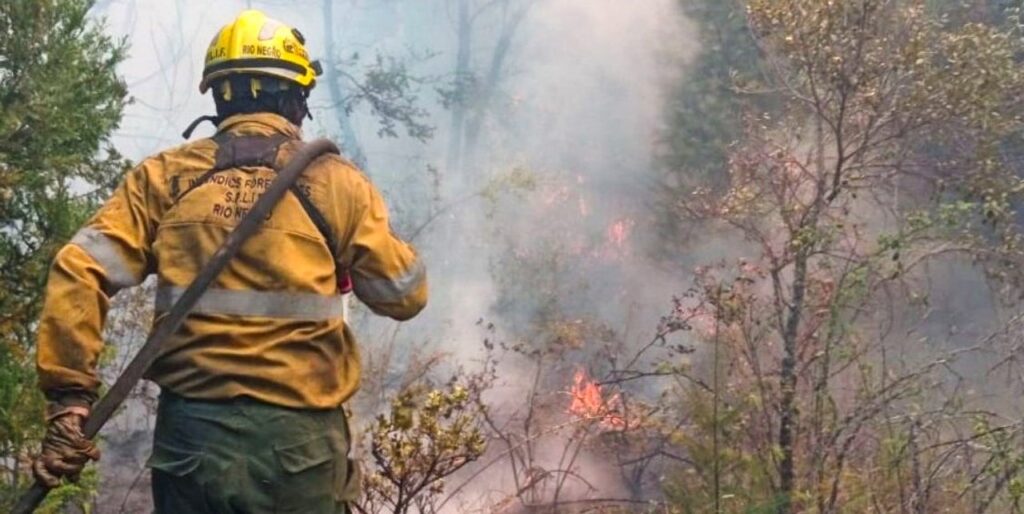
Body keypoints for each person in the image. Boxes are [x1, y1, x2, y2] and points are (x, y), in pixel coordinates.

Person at [30, 9, 427, 513]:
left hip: (191, 444)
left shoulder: (163, 178)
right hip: (299, 446)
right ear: (295, 97)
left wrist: (70, 401)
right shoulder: (337, 183)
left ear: (219, 95)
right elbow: (404, 296)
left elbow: (79, 267)